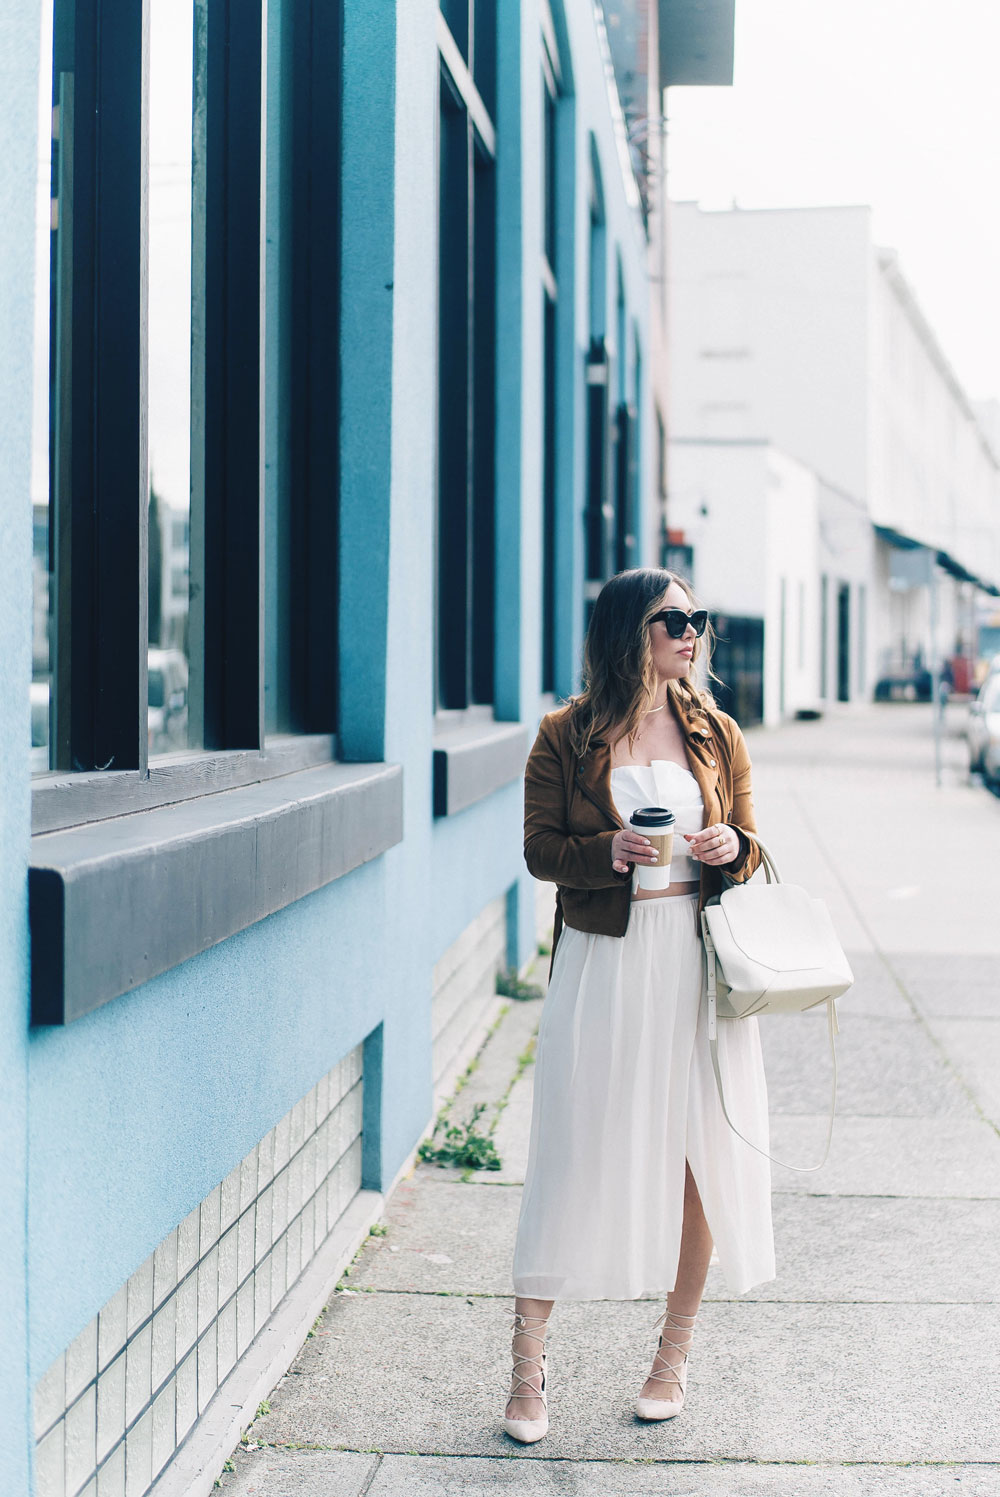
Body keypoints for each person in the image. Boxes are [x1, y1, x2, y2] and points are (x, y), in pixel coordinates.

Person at [503, 568, 775, 1443]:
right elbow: (540, 849)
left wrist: (731, 844)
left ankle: (672, 1357)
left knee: (700, 1156)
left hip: (695, 962)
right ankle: (527, 1364)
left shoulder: (716, 731)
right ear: (630, 630)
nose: (692, 632)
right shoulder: (565, 733)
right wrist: (606, 850)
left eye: (698, 619)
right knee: (572, 1146)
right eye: (674, 619)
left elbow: (753, 842)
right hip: (607, 960)